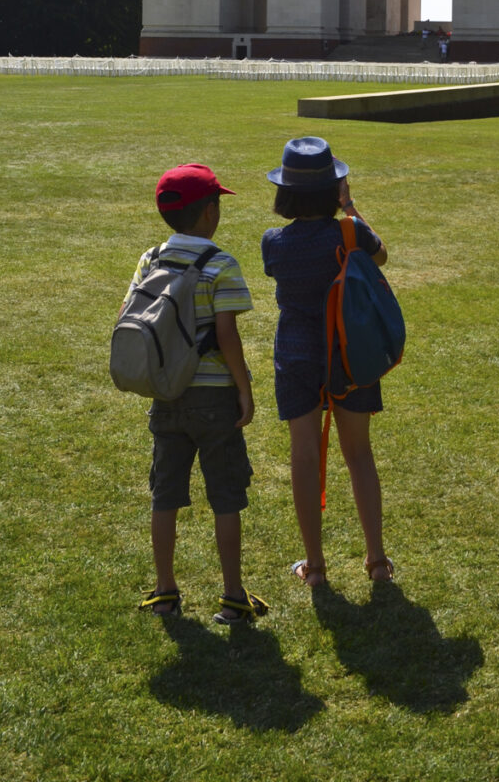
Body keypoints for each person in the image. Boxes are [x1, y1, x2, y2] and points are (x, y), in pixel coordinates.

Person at [124, 162, 268, 624]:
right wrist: (244, 390)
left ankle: (165, 591)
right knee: (225, 496)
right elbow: (227, 336)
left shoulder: (150, 259)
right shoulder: (221, 264)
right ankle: (231, 596)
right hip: (214, 398)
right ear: (209, 213)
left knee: (164, 494)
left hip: (166, 394)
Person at [261, 136, 394, 588]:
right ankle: (377, 561)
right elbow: (382, 255)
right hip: (350, 351)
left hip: (297, 353)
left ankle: (315, 567)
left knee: (304, 455)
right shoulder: (350, 232)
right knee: (359, 454)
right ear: (333, 188)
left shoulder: (273, 243)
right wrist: (350, 206)